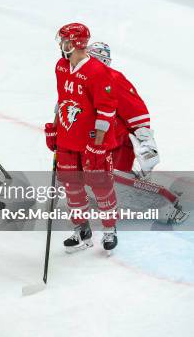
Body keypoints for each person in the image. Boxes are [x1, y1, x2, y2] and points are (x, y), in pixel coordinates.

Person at [87, 42, 189, 223]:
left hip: (115, 144)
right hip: (91, 143)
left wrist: (146, 143)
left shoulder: (113, 79)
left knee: (111, 184)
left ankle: (166, 203)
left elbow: (136, 111)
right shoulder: (81, 79)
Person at [44, 23, 119, 253]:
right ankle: (82, 229)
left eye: (64, 41)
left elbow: (106, 111)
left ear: (75, 44)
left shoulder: (98, 71)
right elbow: (62, 100)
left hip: (91, 143)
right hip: (68, 140)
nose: (61, 45)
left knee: (101, 185)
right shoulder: (61, 66)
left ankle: (109, 229)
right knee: (71, 187)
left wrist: (98, 145)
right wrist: (55, 128)